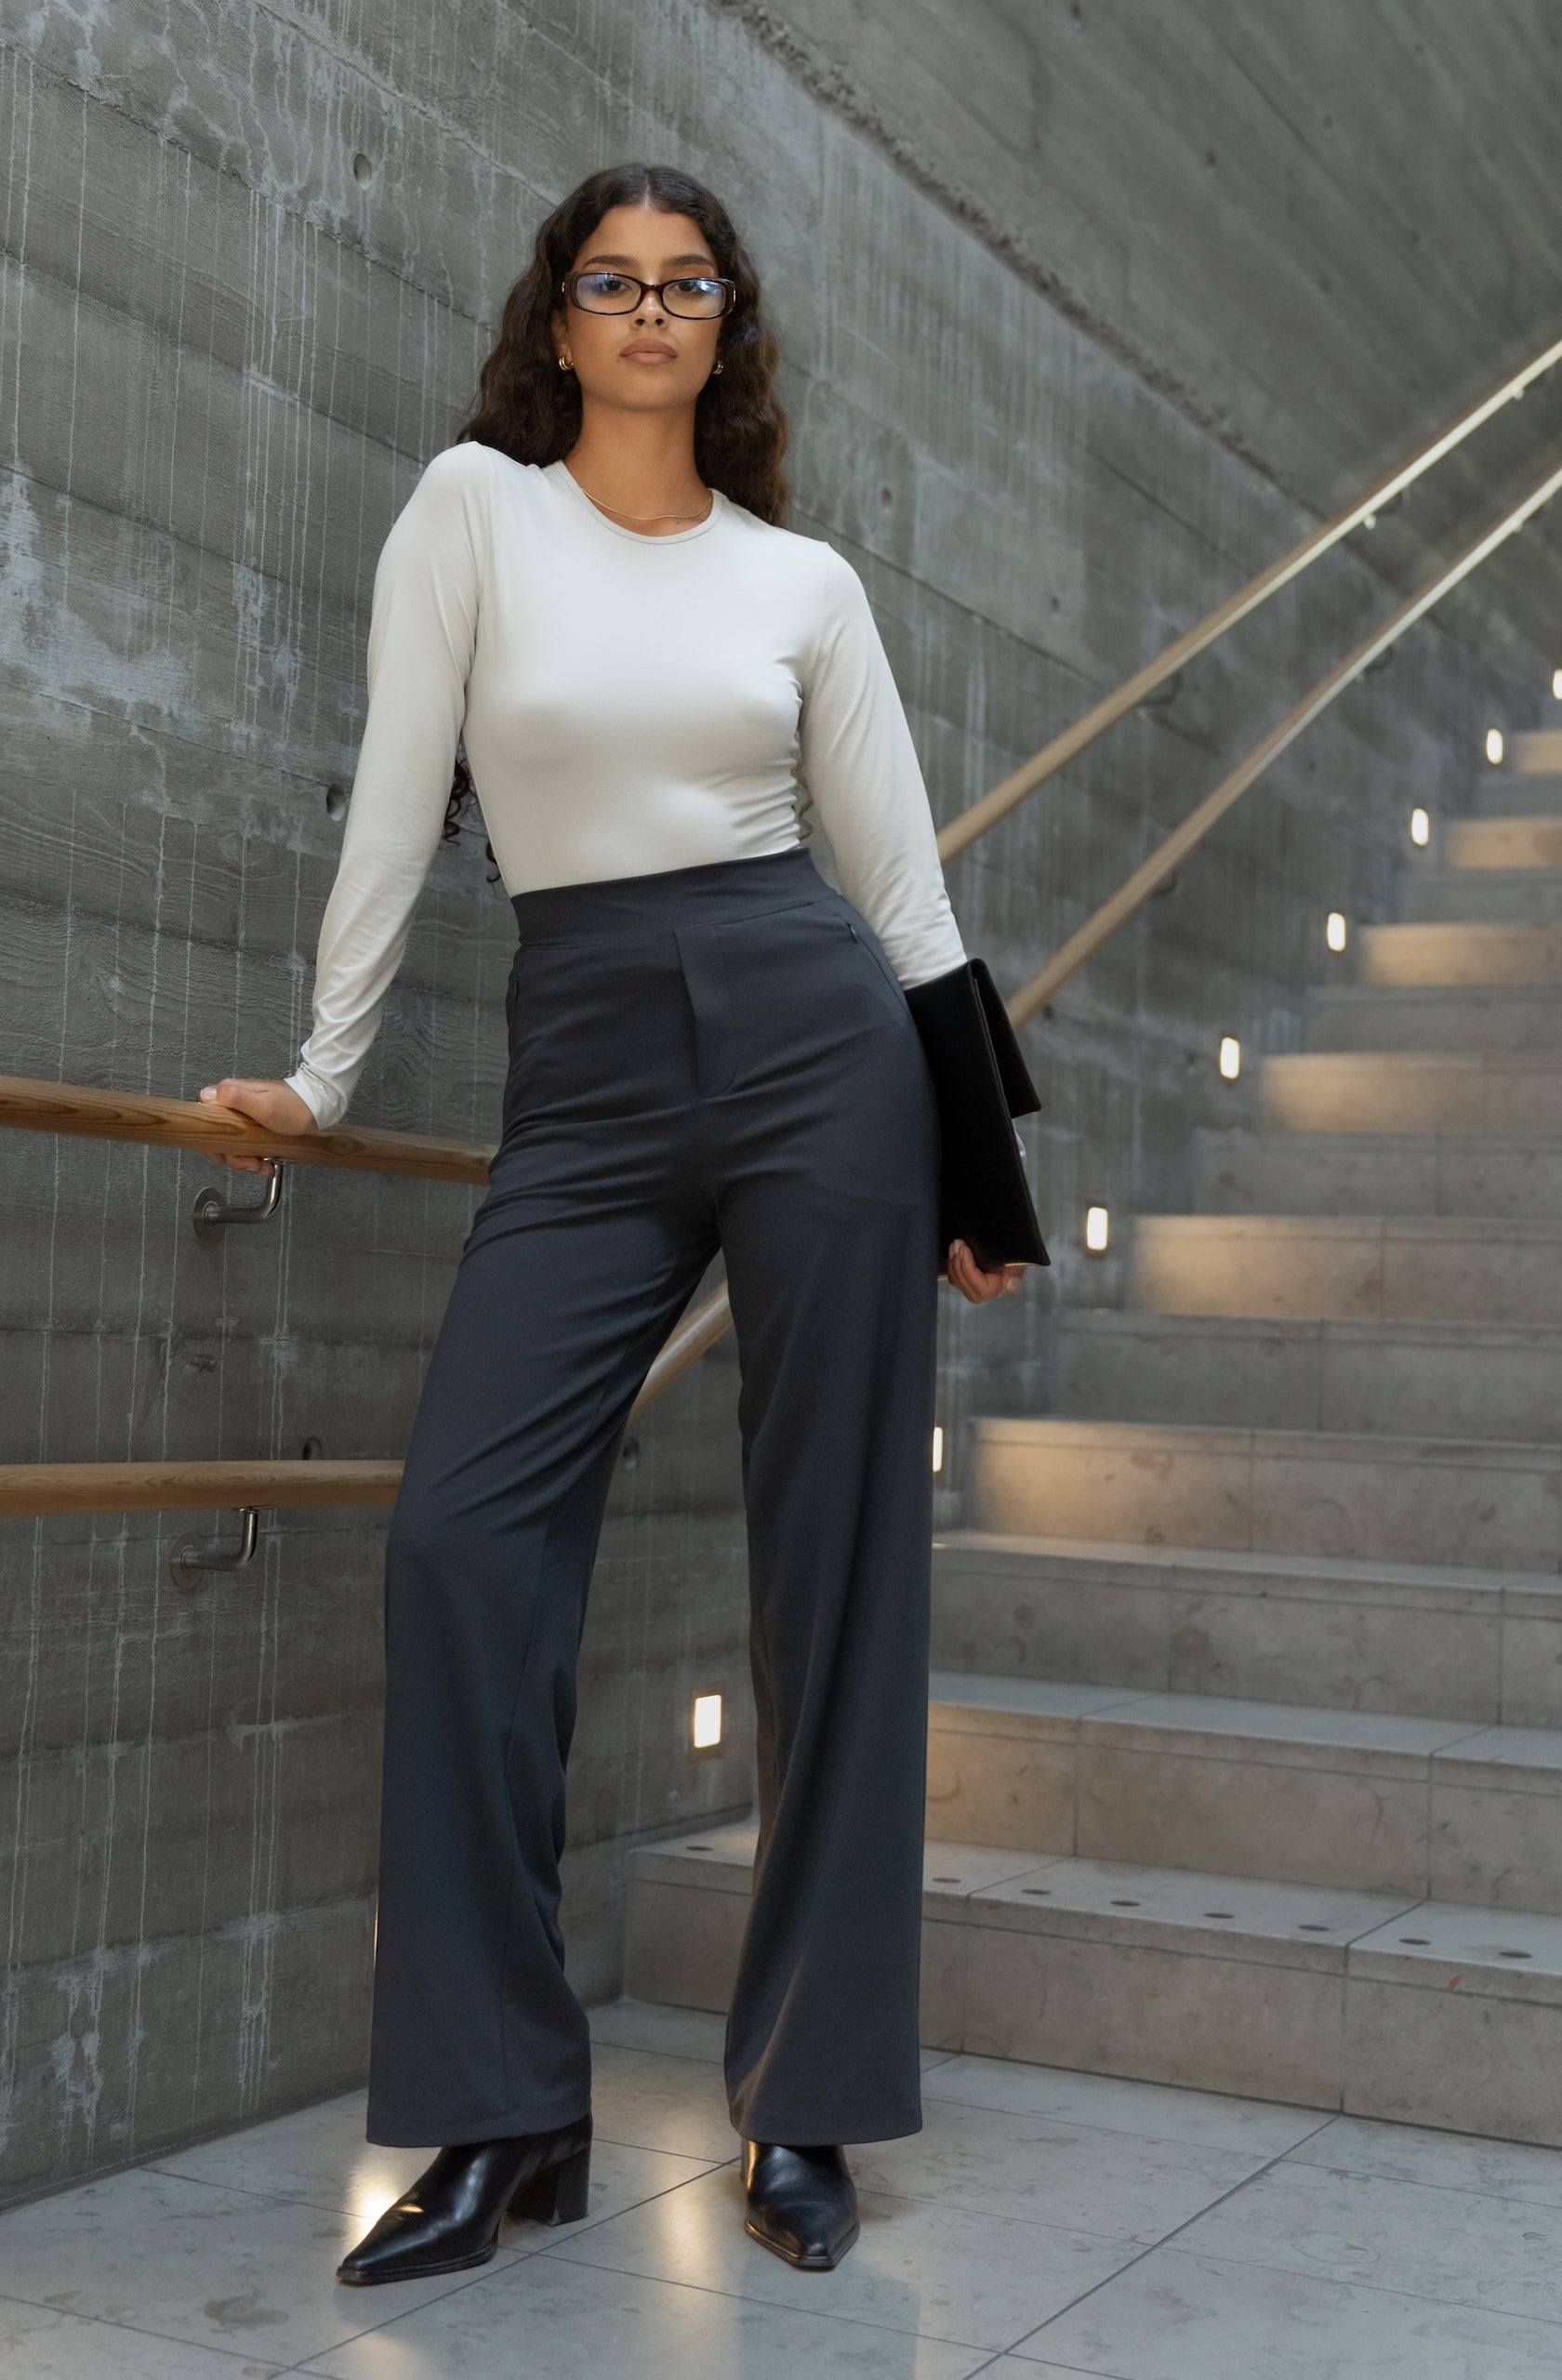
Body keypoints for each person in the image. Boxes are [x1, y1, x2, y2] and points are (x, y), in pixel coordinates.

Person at [200, 161, 1024, 2282]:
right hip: (576, 1058)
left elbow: (906, 893)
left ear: (727, 326)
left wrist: (979, 1166)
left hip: (815, 1039)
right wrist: (324, 1070)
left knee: (834, 1566)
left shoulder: (803, 583)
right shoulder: (469, 512)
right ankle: (500, 2114)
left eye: (688, 284)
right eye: (607, 280)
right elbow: (400, 795)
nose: (649, 312)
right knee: (464, 1540)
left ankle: (810, 2104)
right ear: (555, 320)